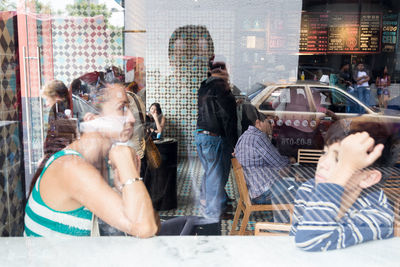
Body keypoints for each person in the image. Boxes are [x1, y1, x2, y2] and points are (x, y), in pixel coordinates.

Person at [24, 83, 159, 237]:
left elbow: (140, 220)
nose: (131, 118)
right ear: (92, 120)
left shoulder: (98, 162)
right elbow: (145, 227)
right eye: (122, 108)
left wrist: (122, 188)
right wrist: (126, 163)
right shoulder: (71, 168)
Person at [290, 119, 394, 251]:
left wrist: (343, 170)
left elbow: (309, 239)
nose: (322, 163)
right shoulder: (309, 189)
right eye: (325, 152)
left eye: (340, 160)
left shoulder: (378, 214)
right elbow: (296, 244)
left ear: (368, 178)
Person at [235, 105, 298, 222]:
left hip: (252, 189)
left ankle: (279, 225)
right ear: (258, 123)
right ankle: (280, 229)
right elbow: (280, 163)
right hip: (262, 192)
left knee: (290, 184)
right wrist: (291, 160)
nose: (272, 124)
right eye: (269, 121)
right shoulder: (258, 138)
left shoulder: (244, 137)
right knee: (298, 190)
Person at [196, 60, 238, 221]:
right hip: (214, 137)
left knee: (211, 172)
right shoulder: (222, 88)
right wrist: (235, 144)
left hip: (201, 134)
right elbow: (227, 118)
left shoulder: (205, 86)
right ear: (222, 70)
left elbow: (211, 108)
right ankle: (213, 212)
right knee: (217, 175)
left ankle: (216, 202)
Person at [42, 80, 76, 155]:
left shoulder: (56, 109)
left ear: (56, 97)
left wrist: (46, 158)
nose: (47, 104)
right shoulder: (69, 107)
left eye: (47, 99)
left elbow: (53, 139)